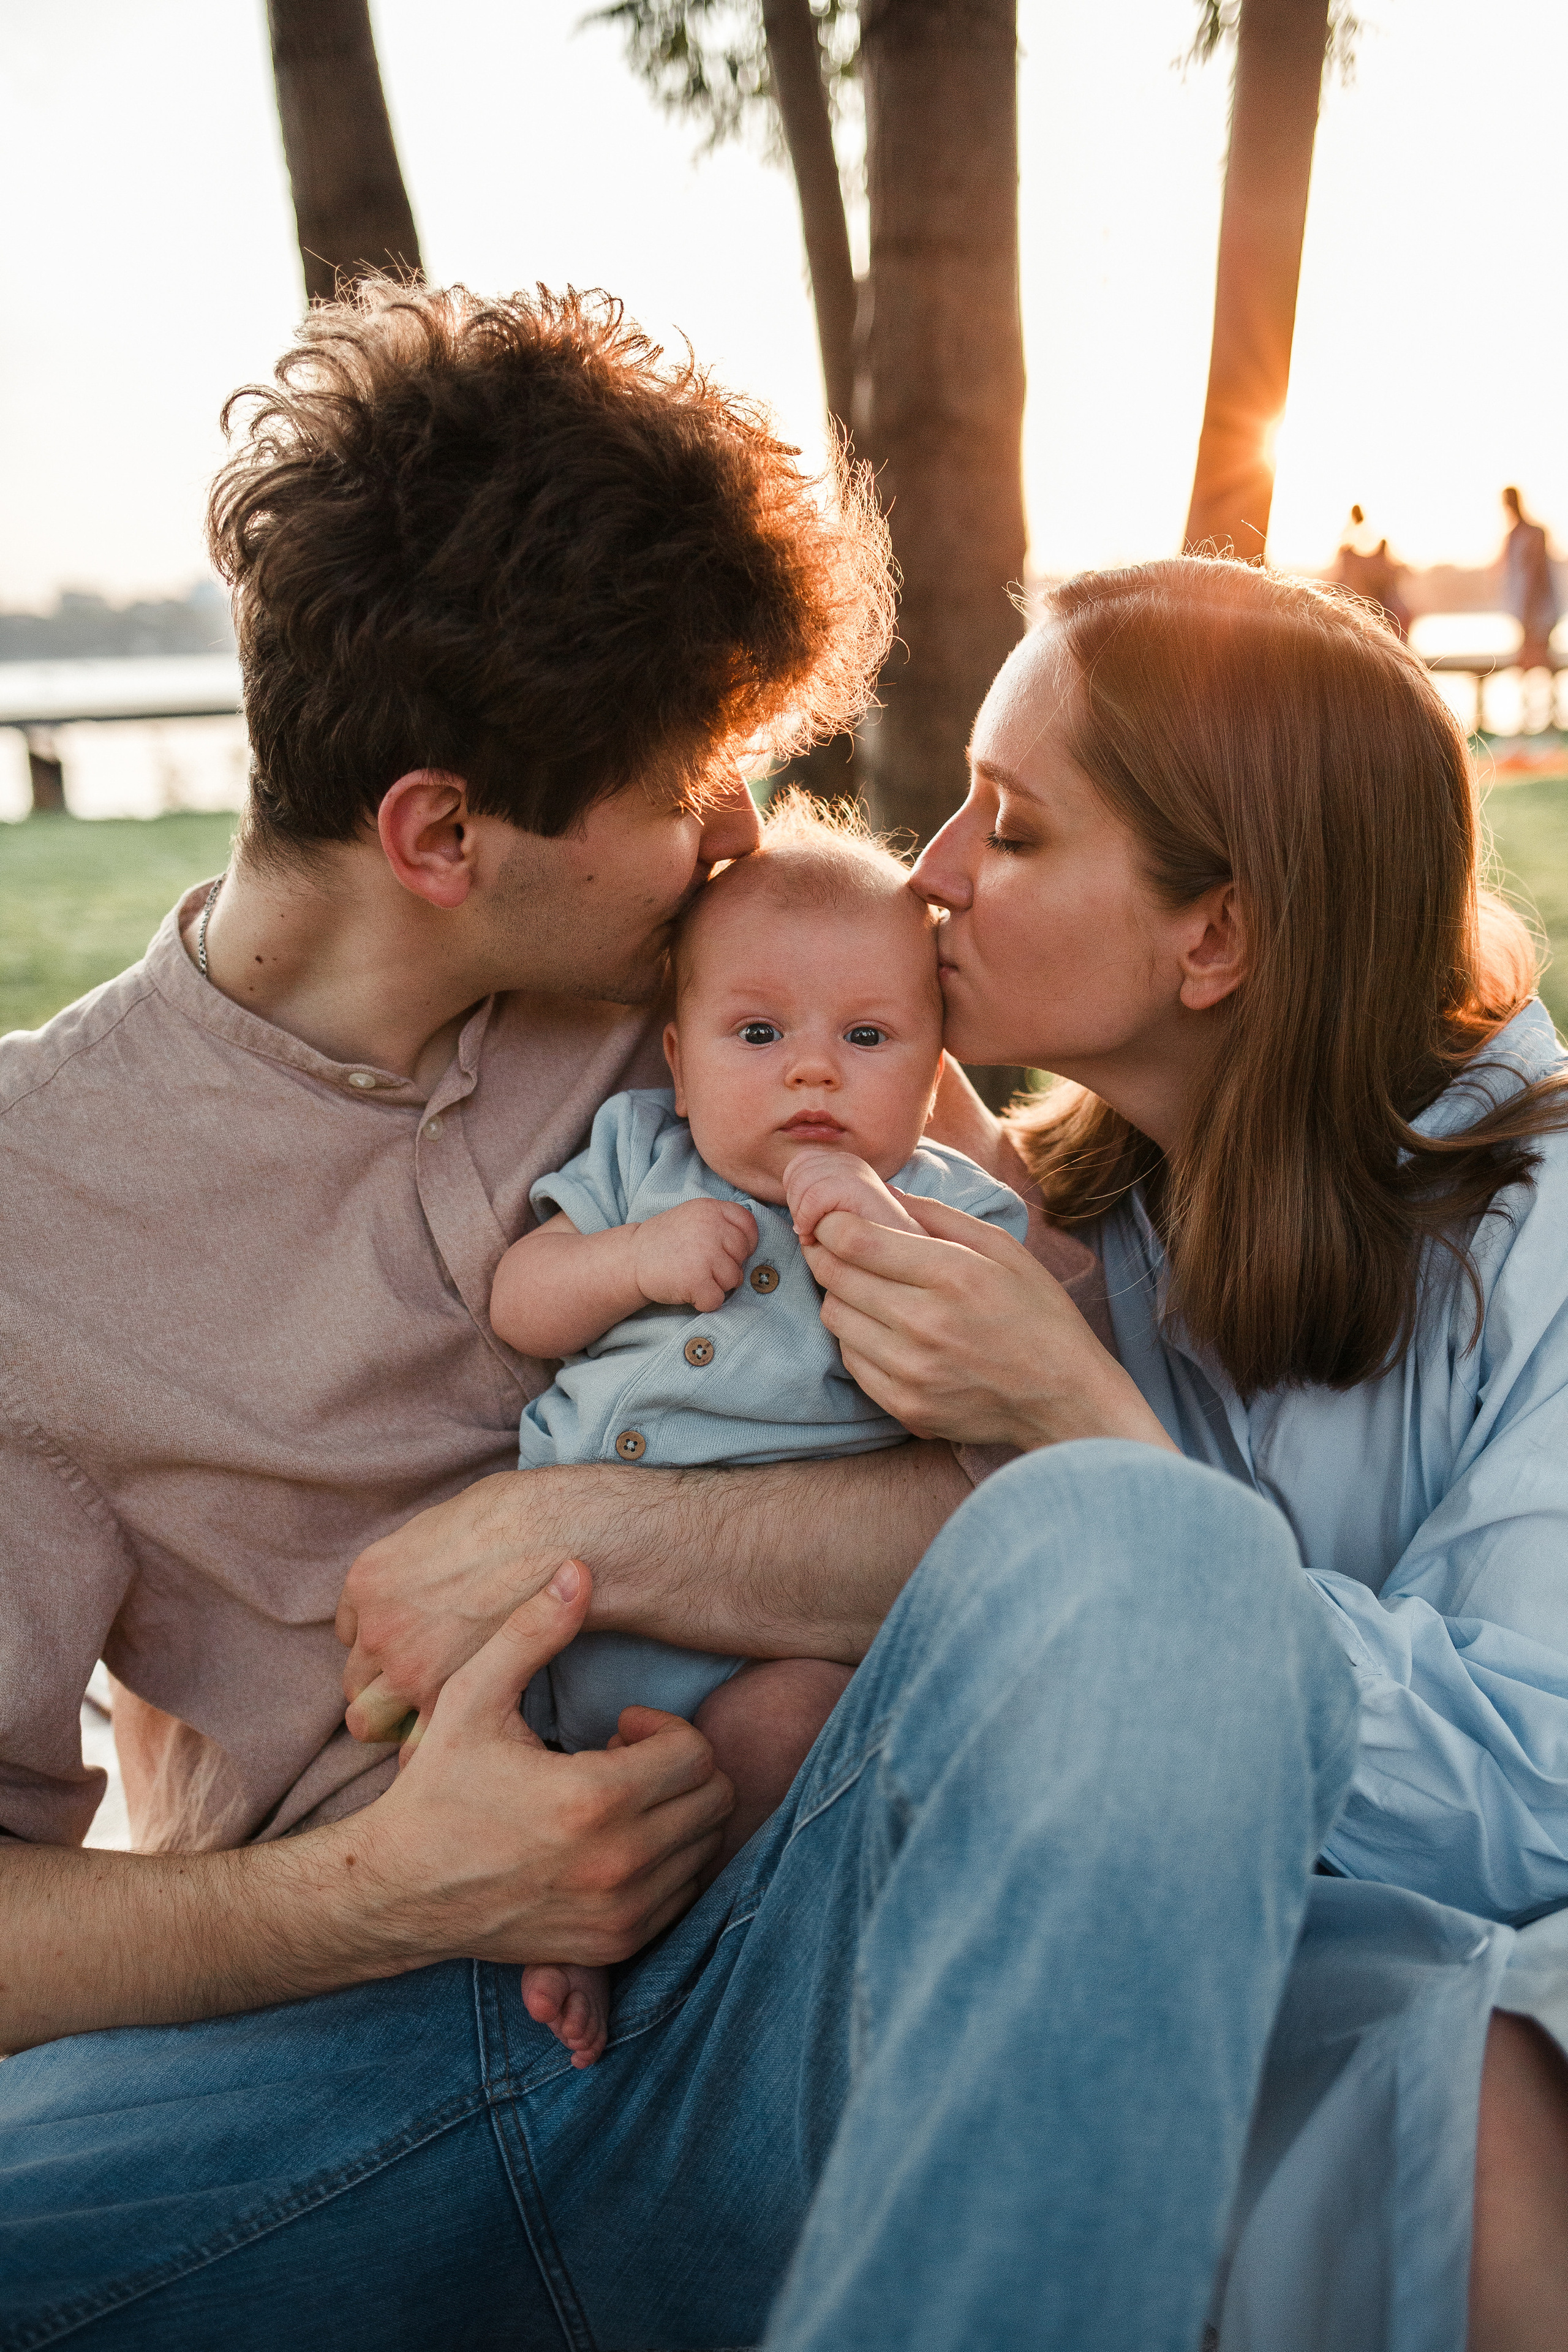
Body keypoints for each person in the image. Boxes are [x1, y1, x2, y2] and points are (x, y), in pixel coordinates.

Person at [0, 285, 1560, 2346]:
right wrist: (374, 1896)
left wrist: (602, 1537)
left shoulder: (751, 1008)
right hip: (331, 2053)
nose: (752, 836)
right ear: (441, 836)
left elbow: (1018, 1521)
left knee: (1156, 1534)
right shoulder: (38, 1204)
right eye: (689, 781)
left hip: (799, 1969)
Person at [491, 797, 1028, 2064]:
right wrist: (631, 1261)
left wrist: (883, 1261)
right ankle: (549, 1909)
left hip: (757, 1646)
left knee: (786, 1731)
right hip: (549, 1604)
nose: (810, 1068)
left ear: (935, 1061)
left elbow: (991, 1421)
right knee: (458, 1727)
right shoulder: (639, 1155)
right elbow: (523, 1302)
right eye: (756, 1032)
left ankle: (670, 1940)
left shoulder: (950, 1219)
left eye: (865, 1035)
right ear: (675, 1061)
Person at [1501, 484, 1561, 726]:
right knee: (1526, 663)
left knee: (1541, 660)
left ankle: (1549, 719)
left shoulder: (1535, 533)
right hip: (1523, 611)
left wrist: (1528, 611)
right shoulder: (1512, 536)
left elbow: (1537, 576)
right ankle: (1530, 720)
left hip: (1540, 611)